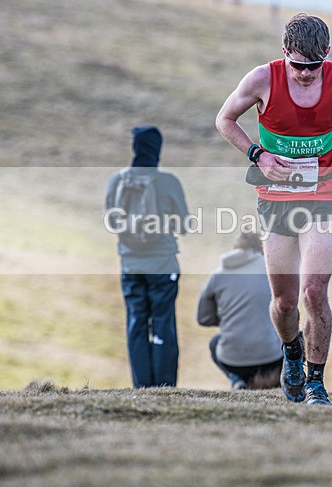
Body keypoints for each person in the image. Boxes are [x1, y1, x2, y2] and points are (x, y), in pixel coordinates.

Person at [215, 13, 332, 405]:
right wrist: (259, 155)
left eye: (314, 65)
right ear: (284, 52)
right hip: (274, 199)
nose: (306, 74)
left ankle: (316, 382)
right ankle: (291, 351)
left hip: (323, 194)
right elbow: (224, 119)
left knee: (314, 291)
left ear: (326, 54)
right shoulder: (262, 79)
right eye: (298, 66)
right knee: (285, 302)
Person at [105, 125, 189, 387]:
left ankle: (141, 386)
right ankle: (164, 386)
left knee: (136, 322)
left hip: (130, 264)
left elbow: (112, 222)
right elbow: (184, 225)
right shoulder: (168, 182)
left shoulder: (117, 181)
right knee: (163, 322)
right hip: (163, 264)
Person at [197, 232, 282, 390]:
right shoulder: (271, 270)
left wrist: (229, 318)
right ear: (262, 249)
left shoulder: (217, 275)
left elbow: (203, 318)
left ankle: (236, 379)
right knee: (289, 335)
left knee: (215, 343)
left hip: (233, 361)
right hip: (271, 359)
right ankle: (281, 381)